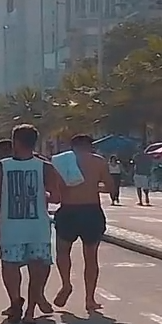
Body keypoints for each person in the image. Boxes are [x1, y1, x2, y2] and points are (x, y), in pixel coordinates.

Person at [0, 124, 62, 324]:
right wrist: (40, 195)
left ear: (15, 142)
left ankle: (15, 301)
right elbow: (56, 197)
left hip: (10, 226)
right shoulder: (45, 167)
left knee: (10, 265)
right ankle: (30, 311)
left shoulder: (2, 166)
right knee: (38, 268)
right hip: (38, 226)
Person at [53, 134, 113, 313]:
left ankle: (66, 284)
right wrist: (94, 186)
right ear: (90, 146)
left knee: (62, 252)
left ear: (73, 146)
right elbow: (110, 187)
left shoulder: (61, 161)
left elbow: (55, 190)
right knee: (91, 257)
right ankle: (90, 299)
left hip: (68, 210)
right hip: (91, 210)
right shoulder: (98, 161)